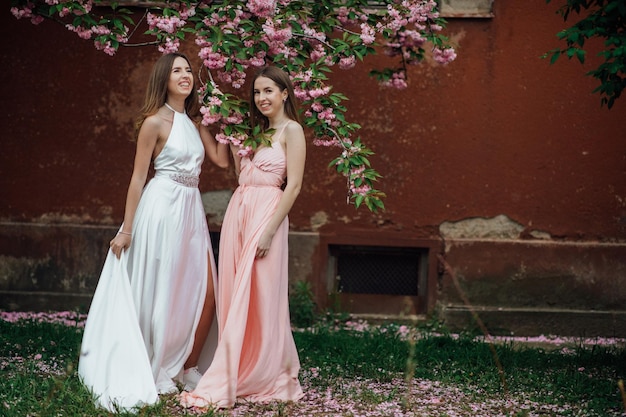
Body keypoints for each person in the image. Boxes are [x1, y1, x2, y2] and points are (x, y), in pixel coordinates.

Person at [77, 52, 229, 412]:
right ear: (163, 79)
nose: (185, 75)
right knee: (163, 289)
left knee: (207, 290)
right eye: (176, 70)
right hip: (161, 208)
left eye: (188, 70)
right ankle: (160, 364)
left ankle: (187, 365)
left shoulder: (195, 122)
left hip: (191, 210)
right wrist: (127, 229)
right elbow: (137, 177)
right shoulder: (154, 122)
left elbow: (222, 160)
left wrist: (227, 122)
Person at [179, 66, 306, 409]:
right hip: (240, 210)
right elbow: (226, 165)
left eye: (269, 91)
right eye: (257, 92)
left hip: (268, 214)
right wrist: (206, 124)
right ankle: (237, 363)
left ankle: (263, 370)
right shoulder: (252, 132)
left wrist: (269, 230)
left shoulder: (291, 131)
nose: (262, 98)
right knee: (236, 291)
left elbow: (293, 185)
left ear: (284, 93)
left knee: (263, 293)